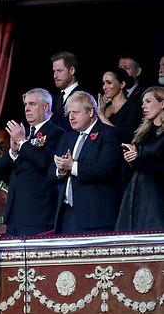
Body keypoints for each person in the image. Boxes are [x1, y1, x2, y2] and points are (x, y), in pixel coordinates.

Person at [49, 91, 123, 234]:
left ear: (90, 112)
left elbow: (107, 170)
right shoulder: (67, 138)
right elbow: (50, 172)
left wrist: (73, 166)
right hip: (66, 215)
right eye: (69, 113)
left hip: (95, 218)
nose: (71, 117)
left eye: (76, 112)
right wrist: (61, 170)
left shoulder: (109, 134)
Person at [0, 88, 64, 236]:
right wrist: (13, 152)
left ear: (46, 107)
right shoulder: (23, 132)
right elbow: (0, 171)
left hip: (38, 214)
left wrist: (22, 142)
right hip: (15, 213)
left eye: (32, 104)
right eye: (26, 104)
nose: (27, 108)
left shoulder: (56, 133)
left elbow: (46, 164)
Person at [115, 86, 164, 231]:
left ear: (162, 104)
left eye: (148, 101)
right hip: (137, 192)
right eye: (143, 102)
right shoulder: (142, 134)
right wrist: (131, 158)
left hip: (157, 196)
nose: (144, 106)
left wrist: (138, 159)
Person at [96, 67, 143, 143]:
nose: (105, 87)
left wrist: (102, 116)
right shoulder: (104, 107)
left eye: (109, 83)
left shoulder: (133, 107)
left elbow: (123, 137)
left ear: (122, 84)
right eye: (103, 83)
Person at [49, 51, 88, 132]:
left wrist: (49, 115)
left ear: (72, 70)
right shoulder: (53, 99)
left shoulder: (84, 97)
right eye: (54, 71)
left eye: (59, 71)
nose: (55, 76)